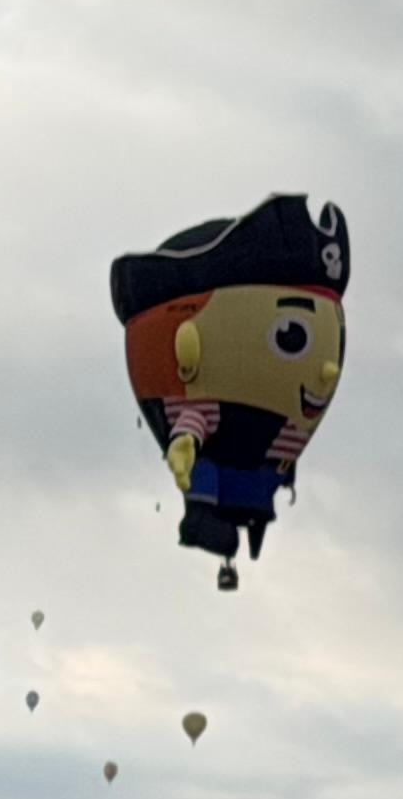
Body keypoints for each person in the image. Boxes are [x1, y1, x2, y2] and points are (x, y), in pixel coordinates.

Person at [111, 194, 349, 589]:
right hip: (219, 469)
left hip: (259, 476)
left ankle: (243, 513)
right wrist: (185, 438)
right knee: (213, 474)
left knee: (249, 483)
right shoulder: (205, 403)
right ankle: (205, 515)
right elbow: (197, 418)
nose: (330, 367)